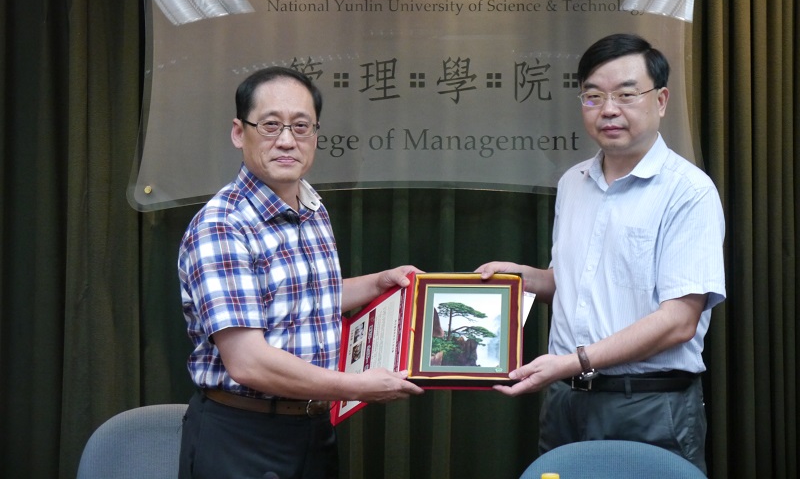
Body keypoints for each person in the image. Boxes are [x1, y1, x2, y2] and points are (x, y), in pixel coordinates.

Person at [476, 33, 725, 474]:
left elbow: (679, 320)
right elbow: (575, 285)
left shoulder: (688, 192)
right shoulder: (573, 182)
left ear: (661, 101)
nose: (608, 109)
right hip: (566, 401)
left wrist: (575, 361)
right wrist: (521, 277)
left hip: (648, 405)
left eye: (626, 95)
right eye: (593, 96)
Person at [177, 66, 424, 479]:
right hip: (244, 437)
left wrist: (377, 283)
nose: (287, 140)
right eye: (270, 125)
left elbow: (302, 299)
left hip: (313, 430)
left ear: (316, 134)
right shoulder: (222, 225)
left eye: (301, 126)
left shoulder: (311, 208)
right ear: (239, 132)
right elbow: (248, 363)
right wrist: (357, 386)